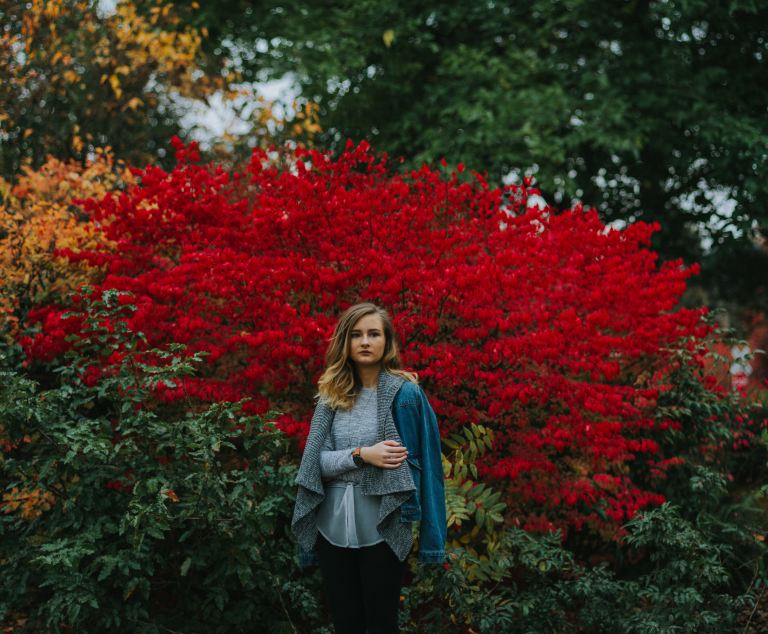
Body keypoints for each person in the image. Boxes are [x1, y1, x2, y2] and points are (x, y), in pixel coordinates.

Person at [292, 302, 447, 634]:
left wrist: (434, 541)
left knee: (382, 623)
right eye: (356, 334)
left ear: (386, 341)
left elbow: (431, 469)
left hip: (384, 526)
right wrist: (363, 455)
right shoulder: (330, 395)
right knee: (346, 624)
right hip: (329, 530)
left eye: (373, 334)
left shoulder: (407, 396)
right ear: (345, 342)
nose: (365, 341)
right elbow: (313, 464)